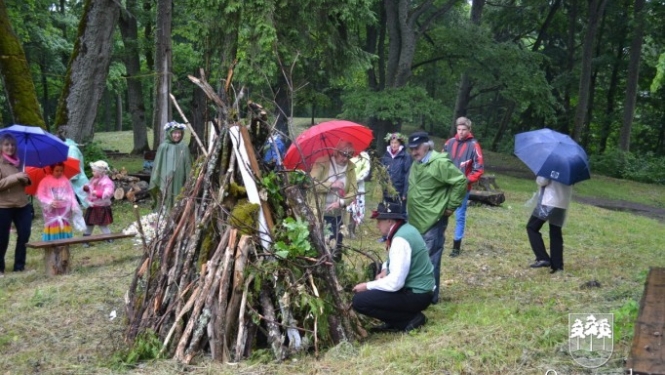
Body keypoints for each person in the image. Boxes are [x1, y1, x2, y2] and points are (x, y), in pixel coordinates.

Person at [351, 202, 434, 332]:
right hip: (418, 290)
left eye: (379, 221)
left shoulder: (400, 240)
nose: (377, 225)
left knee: (359, 301)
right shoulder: (405, 229)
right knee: (375, 268)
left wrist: (367, 285)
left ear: (389, 221)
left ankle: (409, 319)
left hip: (417, 295)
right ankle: (394, 319)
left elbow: (396, 283)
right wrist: (385, 269)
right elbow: (396, 261)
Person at [406, 131, 467, 304]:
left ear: (427, 146)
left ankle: (430, 296)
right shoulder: (418, 163)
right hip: (416, 220)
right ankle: (417, 291)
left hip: (433, 220)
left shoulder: (439, 163)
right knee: (417, 256)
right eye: (411, 149)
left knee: (430, 258)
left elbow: (460, 181)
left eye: (417, 148)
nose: (414, 152)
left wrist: (450, 206)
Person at [309, 140, 358, 261]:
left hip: (338, 215)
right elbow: (311, 184)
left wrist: (340, 202)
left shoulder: (351, 168)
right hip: (320, 213)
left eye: (349, 155)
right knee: (321, 248)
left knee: (336, 248)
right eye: (343, 154)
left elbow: (354, 191)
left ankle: (336, 274)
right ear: (336, 152)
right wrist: (331, 184)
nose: (345, 158)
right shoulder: (322, 162)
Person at [442, 117, 484, 257]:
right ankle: (437, 240)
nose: (460, 132)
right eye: (459, 129)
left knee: (460, 216)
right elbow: (440, 162)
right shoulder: (449, 143)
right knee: (440, 213)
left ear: (469, 130)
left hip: (462, 188)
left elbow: (479, 168)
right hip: (446, 186)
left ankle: (456, 246)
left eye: (464, 130)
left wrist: (466, 181)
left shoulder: (474, 145)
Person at [0, 134, 33, 276]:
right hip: (3, 206)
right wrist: (15, 177)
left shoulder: (19, 162)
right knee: (2, 238)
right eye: (6, 144)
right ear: (1, 146)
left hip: (22, 204)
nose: (10, 147)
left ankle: (19, 266)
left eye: (12, 145)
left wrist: (26, 179)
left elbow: (21, 182)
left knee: (25, 234)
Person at [527, 176, 573, 274]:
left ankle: (542, 258)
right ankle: (557, 266)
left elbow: (542, 181)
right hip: (562, 203)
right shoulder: (569, 168)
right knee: (555, 233)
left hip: (548, 201)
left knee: (532, 227)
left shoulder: (552, 165)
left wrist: (538, 177)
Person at [36, 162, 84, 240]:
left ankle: (64, 240)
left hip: (64, 209)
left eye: (61, 171)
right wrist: (49, 202)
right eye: (57, 171)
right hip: (52, 209)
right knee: (53, 223)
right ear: (52, 170)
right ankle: (52, 240)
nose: (59, 173)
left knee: (63, 222)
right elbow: (41, 195)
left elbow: (71, 194)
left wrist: (74, 204)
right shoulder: (45, 181)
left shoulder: (65, 181)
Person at [149, 121, 192, 210]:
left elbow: (188, 166)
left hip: (180, 179)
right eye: (175, 133)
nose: (177, 135)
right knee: (166, 197)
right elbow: (158, 166)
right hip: (165, 179)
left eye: (179, 133)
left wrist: (189, 180)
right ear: (170, 133)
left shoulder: (184, 147)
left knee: (179, 197)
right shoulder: (163, 147)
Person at [57, 125, 90, 208]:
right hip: (68, 179)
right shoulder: (64, 148)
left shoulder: (71, 149)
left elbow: (74, 170)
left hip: (76, 180)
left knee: (82, 200)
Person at [82, 161, 115, 244]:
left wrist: (99, 193)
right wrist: (87, 189)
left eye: (94, 171)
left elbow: (109, 192)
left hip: (101, 206)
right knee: (89, 223)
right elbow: (90, 187)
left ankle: (109, 238)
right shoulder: (93, 180)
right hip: (93, 205)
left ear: (101, 172)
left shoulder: (106, 182)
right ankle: (86, 239)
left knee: (102, 224)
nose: (92, 172)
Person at [380, 132, 412, 203]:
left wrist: (405, 193)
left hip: (399, 191)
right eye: (392, 143)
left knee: (398, 212)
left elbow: (408, 175)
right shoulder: (386, 156)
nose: (393, 145)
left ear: (400, 143)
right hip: (386, 191)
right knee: (386, 212)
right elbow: (381, 173)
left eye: (396, 143)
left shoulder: (405, 156)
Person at [347, 150, 370, 237]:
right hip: (348, 187)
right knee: (349, 209)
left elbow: (366, 170)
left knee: (357, 210)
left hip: (359, 188)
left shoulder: (364, 156)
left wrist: (355, 179)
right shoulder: (347, 154)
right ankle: (347, 229)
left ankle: (353, 229)